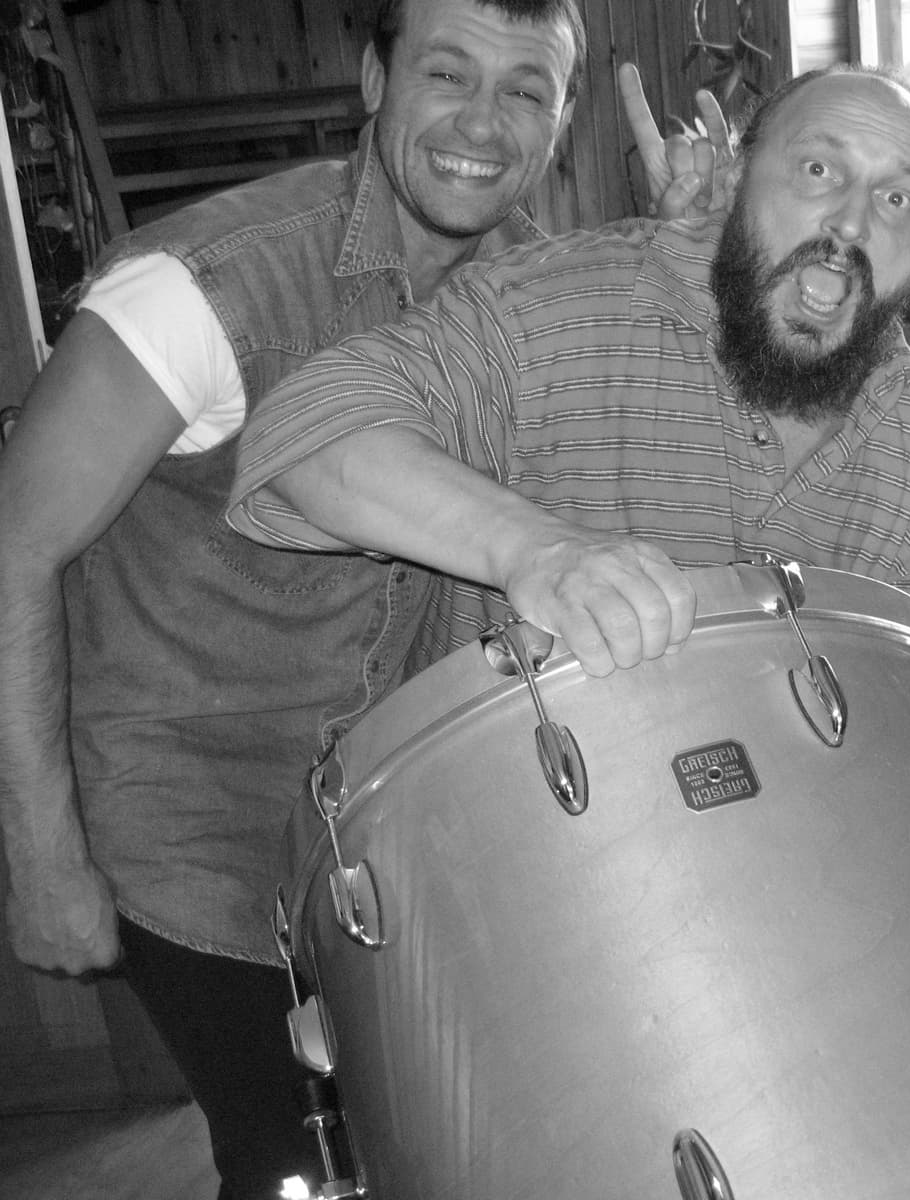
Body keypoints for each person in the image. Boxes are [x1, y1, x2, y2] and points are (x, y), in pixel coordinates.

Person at [0, 0, 722, 1194]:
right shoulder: (203, 286)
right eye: (448, 73)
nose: (482, 124)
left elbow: (645, 460)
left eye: (525, 90)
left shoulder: (532, 280)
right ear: (376, 80)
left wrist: (686, 269)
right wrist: (40, 859)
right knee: (300, 1159)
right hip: (194, 822)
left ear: (561, 122)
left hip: (393, 812)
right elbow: (12, 546)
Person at [228, 64, 910, 675]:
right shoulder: (552, 304)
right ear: (740, 175)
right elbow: (304, 428)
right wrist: (536, 552)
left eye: (897, 198)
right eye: (818, 169)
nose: (851, 223)